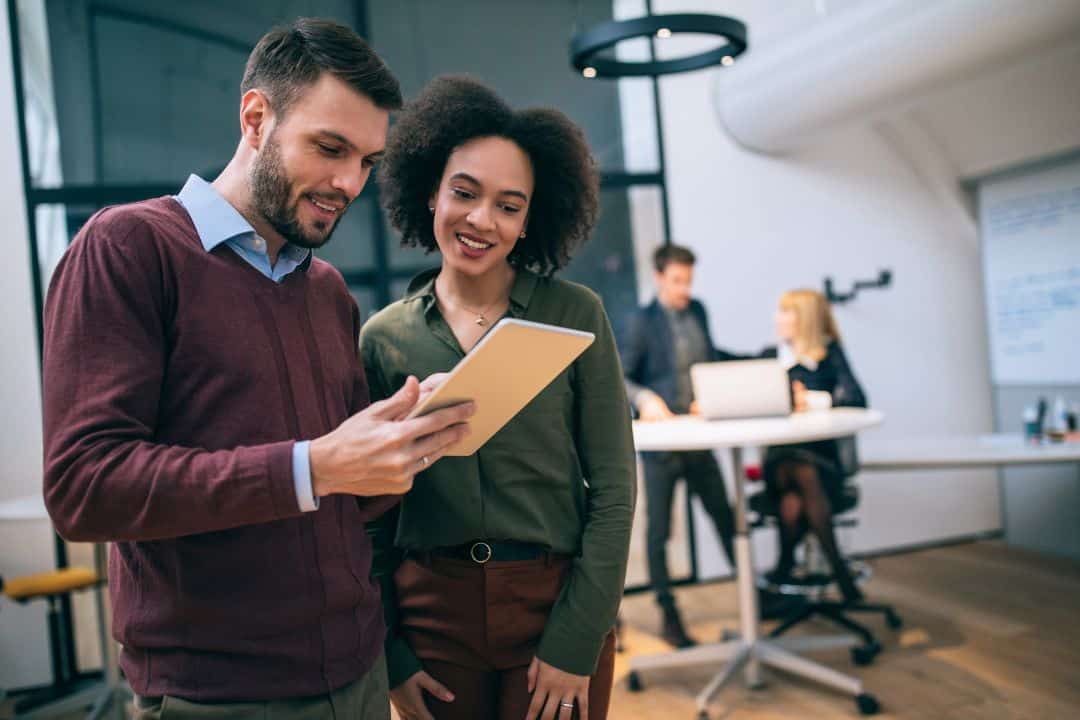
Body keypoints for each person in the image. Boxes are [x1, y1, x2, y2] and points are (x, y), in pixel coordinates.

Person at [41, 19, 474, 719]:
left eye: (367, 160)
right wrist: (314, 466)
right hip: (220, 695)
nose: (348, 182)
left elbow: (333, 500)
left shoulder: (327, 289)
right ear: (255, 118)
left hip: (358, 674)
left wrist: (399, 451)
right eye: (329, 148)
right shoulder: (129, 248)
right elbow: (84, 488)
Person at [362, 76, 636, 720]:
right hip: (432, 616)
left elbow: (616, 490)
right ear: (430, 191)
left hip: (556, 604)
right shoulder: (383, 338)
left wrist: (577, 638)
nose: (481, 220)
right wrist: (391, 653)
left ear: (528, 222)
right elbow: (369, 513)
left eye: (509, 206)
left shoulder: (576, 314)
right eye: (464, 193)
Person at [619, 244, 745, 648]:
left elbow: (711, 358)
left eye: (688, 280)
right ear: (659, 277)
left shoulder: (699, 312)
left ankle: (755, 596)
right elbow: (621, 377)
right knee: (660, 533)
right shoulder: (641, 322)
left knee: (725, 518)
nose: (684, 289)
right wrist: (645, 399)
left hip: (698, 438)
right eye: (677, 280)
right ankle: (668, 613)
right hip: (662, 446)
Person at [761, 289, 868, 603]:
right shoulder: (771, 357)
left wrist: (813, 400)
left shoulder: (828, 355)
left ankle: (783, 569)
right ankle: (839, 569)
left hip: (823, 463)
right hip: (779, 463)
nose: (777, 319)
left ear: (803, 319)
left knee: (796, 497)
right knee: (797, 473)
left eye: (785, 312)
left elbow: (857, 397)